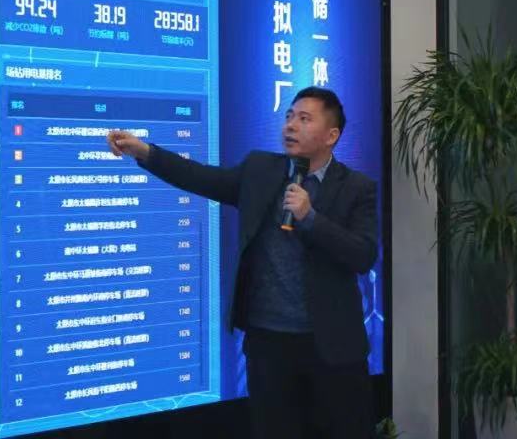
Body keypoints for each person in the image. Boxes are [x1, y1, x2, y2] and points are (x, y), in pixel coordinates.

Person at [106, 87, 378, 439]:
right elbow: (200, 177)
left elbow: (363, 255)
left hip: (331, 347)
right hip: (268, 345)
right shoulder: (260, 169)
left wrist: (310, 218)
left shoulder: (357, 187)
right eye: (289, 116)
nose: (290, 125)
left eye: (304, 119)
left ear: (331, 135)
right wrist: (146, 152)